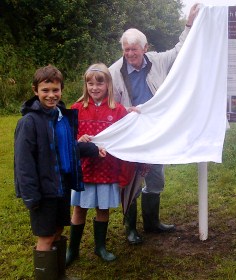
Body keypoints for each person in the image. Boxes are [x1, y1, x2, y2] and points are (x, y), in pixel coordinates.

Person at [109, 3, 200, 244]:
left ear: (145, 48)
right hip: (130, 131)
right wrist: (124, 112)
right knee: (130, 178)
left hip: (156, 129)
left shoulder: (157, 61)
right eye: (126, 49)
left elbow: (181, 50)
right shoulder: (113, 72)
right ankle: (130, 229)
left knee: (156, 175)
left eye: (134, 50)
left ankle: (152, 223)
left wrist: (189, 24)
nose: (130, 54)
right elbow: (107, 104)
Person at [14, 65, 105, 279]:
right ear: (35, 90)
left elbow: (67, 146)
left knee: (57, 231)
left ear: (61, 89)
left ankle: (59, 275)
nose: (51, 95)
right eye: (45, 90)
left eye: (56, 90)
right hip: (42, 192)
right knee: (45, 237)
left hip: (61, 187)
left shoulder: (61, 116)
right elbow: (23, 163)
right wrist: (30, 195)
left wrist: (92, 149)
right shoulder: (29, 122)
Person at [66, 63, 129, 266]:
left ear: (108, 84)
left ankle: (100, 247)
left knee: (103, 209)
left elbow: (127, 135)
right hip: (83, 169)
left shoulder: (118, 110)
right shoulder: (76, 109)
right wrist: (78, 138)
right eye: (90, 84)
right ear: (85, 85)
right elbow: (67, 137)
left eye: (99, 83)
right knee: (79, 209)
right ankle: (72, 250)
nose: (94, 88)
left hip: (107, 169)